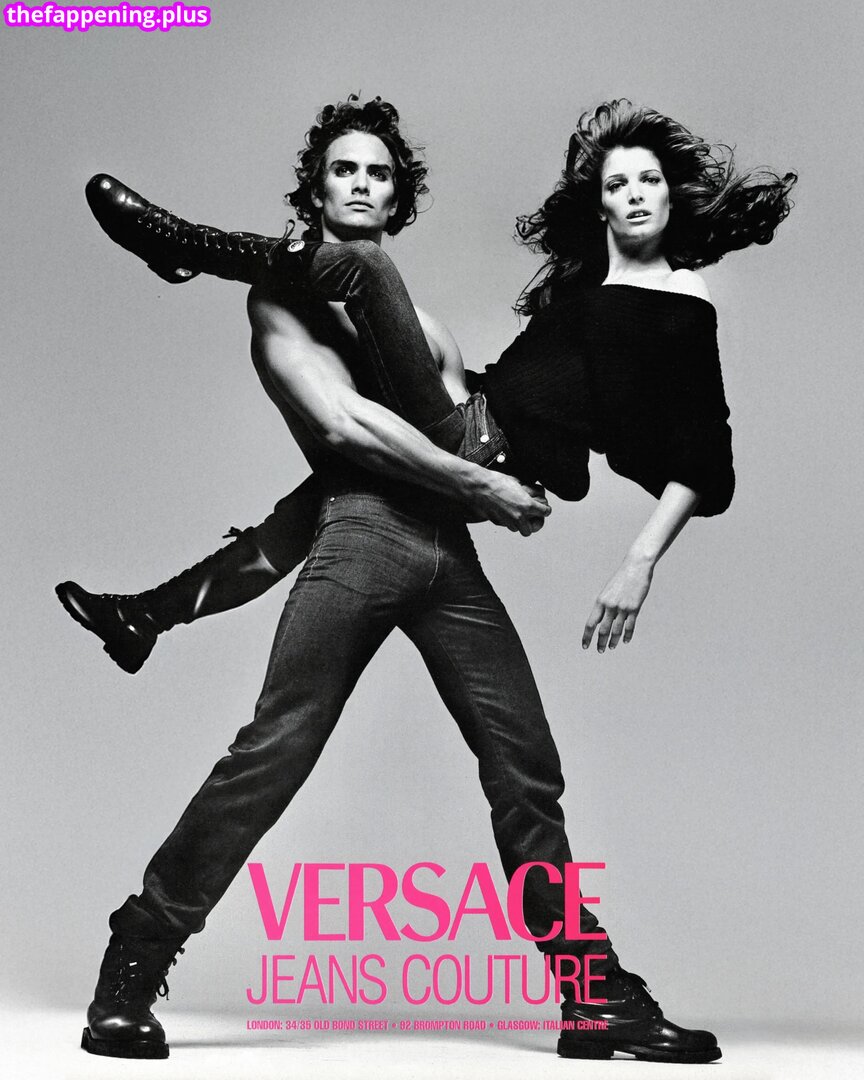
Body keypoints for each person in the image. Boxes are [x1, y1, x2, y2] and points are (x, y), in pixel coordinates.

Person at [74, 97, 727, 1065]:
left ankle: (596, 999)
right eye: (344, 170)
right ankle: (134, 962)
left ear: (397, 196)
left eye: (379, 173)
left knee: (527, 770)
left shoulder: (414, 324)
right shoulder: (280, 306)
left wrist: (527, 466)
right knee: (275, 750)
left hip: (448, 555)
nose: (362, 185)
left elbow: (460, 417)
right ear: (316, 190)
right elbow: (343, 432)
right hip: (365, 538)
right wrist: (479, 481)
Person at [59, 100, 794, 674]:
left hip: (481, 444)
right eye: (617, 183)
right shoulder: (596, 284)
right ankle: (144, 618)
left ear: (672, 196)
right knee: (325, 499)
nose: (634, 196)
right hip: (471, 423)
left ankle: (185, 246)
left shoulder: (683, 298)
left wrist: (638, 562)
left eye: (649, 181)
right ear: (598, 202)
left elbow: (707, 458)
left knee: (368, 268)